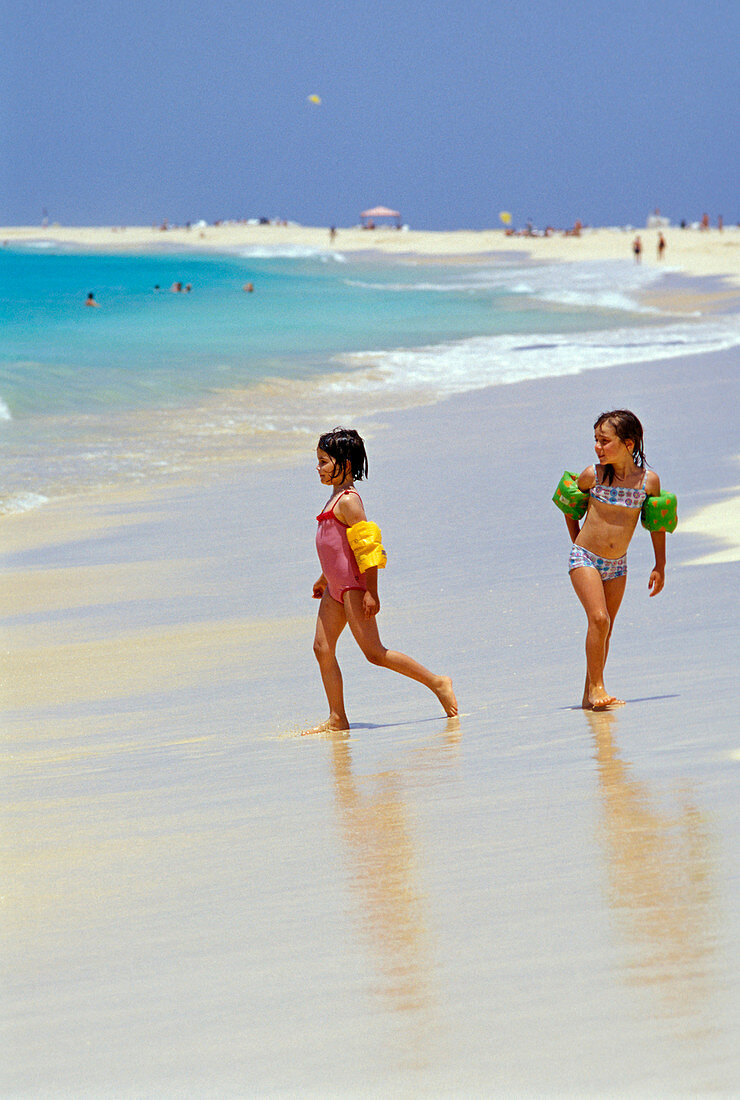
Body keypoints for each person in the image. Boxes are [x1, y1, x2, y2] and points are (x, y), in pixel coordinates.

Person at [307, 427, 457, 733]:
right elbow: (337, 547)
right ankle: (337, 717)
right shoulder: (333, 499)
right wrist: (324, 578)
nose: (319, 468)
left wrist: (371, 592)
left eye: (324, 461)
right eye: (319, 461)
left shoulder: (349, 501)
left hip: (353, 587)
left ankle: (437, 682)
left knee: (375, 653)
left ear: (345, 465)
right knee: (322, 648)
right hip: (335, 589)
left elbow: (367, 548)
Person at [558, 410, 668, 710]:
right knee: (599, 618)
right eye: (596, 440)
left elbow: (657, 525)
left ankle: (589, 694)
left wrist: (660, 565)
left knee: (606, 628)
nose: (598, 447)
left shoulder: (648, 483)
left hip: (618, 565)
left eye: (605, 441)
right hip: (585, 558)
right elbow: (570, 506)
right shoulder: (593, 475)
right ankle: (597, 687)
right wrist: (576, 539)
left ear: (629, 444)